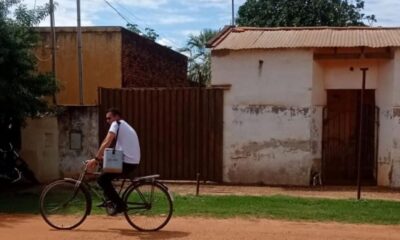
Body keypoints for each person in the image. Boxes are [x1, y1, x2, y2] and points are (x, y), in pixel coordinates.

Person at [86, 108, 140, 214]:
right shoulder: (123, 125)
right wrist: (102, 158)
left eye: (109, 118)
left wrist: (96, 159)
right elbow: (117, 150)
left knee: (102, 180)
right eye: (106, 119)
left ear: (116, 117)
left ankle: (120, 205)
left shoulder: (116, 124)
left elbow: (107, 141)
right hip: (129, 160)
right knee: (104, 170)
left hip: (127, 162)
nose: (107, 121)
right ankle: (110, 201)